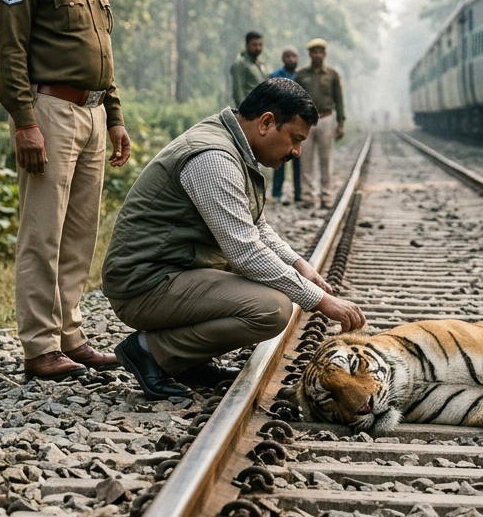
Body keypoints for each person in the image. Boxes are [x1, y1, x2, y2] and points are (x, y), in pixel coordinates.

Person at [101, 79, 366, 399]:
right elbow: (245, 251)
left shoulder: (235, 146)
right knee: (272, 309)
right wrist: (322, 301)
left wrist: (298, 264)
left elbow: (257, 226)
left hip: (173, 271)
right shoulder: (214, 157)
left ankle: (185, 362)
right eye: (295, 140)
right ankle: (149, 351)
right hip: (144, 283)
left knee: (272, 284)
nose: (296, 151)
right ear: (267, 122)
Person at [0, 0, 132, 380]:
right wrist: (24, 122)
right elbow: (10, 51)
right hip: (49, 111)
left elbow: (103, 52)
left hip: (93, 114)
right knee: (42, 233)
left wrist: (114, 115)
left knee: (79, 234)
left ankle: (69, 335)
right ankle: (38, 345)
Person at [294, 38, 345, 208]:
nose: (317, 55)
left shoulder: (332, 74)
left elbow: (339, 99)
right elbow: (294, 99)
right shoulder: (301, 75)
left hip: (326, 118)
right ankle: (308, 197)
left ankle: (326, 196)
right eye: (314, 52)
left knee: (326, 159)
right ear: (309, 54)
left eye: (320, 52)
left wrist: (341, 123)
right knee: (306, 160)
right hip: (305, 121)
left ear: (324, 54)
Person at [268, 46, 302, 205]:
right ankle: (277, 193)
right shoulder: (274, 76)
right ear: (283, 59)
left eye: (294, 56)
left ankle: (298, 194)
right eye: (287, 56)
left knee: (298, 159)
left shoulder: (302, 77)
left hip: (298, 124)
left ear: (298, 58)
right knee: (279, 158)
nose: (291, 59)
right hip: (281, 123)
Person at [230, 31, 266, 106]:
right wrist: (243, 112)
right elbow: (238, 91)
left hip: (260, 107)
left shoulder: (260, 64)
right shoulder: (240, 64)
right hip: (249, 110)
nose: (258, 48)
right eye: (254, 45)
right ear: (246, 45)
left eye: (260, 45)